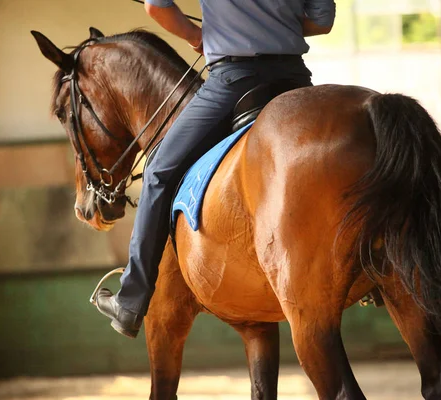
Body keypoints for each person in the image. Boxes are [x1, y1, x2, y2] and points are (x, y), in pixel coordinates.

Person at [96, 0, 336, 338]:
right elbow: (322, 22)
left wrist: (198, 35)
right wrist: (273, 27)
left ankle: (131, 300)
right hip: (295, 79)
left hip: (234, 80)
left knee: (158, 172)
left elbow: (156, 6)